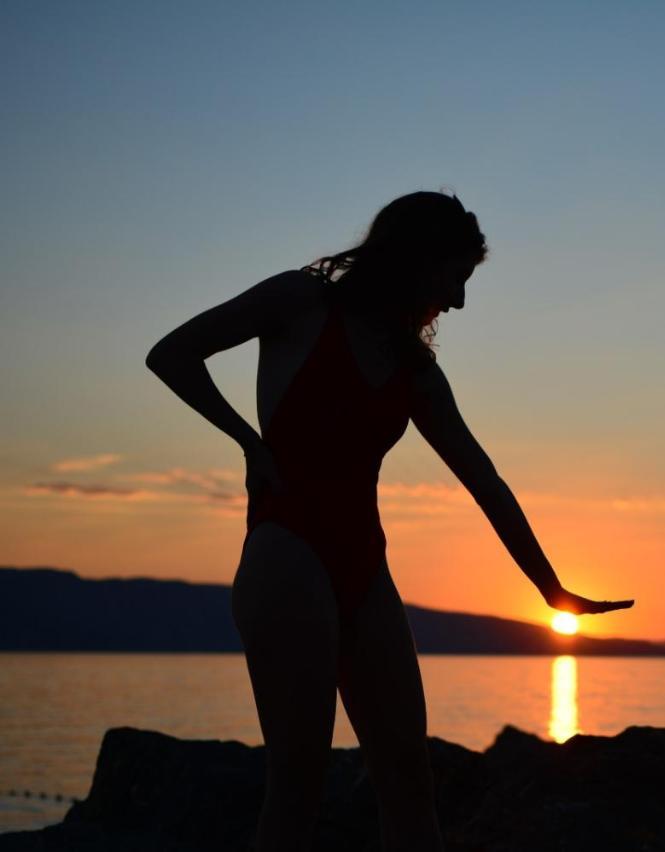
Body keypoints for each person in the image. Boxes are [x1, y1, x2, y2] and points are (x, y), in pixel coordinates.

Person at [145, 190, 634, 852]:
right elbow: (172, 354)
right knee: (298, 786)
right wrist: (248, 442)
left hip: (365, 570)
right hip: (287, 554)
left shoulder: (416, 370)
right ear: (415, 258)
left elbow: (483, 478)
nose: (458, 301)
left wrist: (552, 591)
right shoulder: (298, 303)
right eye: (454, 277)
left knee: (410, 786)